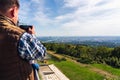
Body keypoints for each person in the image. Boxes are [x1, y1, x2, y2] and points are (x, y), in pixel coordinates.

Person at [0, 0, 46, 80]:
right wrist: (32, 35)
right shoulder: (19, 36)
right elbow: (41, 53)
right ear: (13, 11)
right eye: (18, 14)